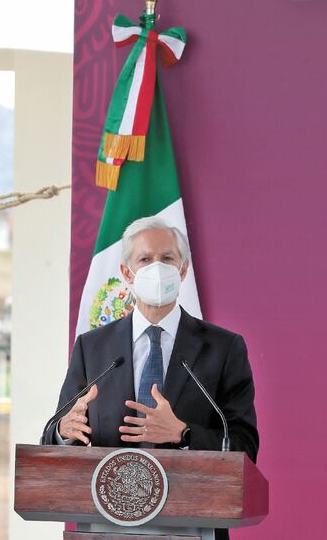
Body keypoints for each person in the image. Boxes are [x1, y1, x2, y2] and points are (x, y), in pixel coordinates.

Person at [43, 216, 259, 538]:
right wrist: (63, 430)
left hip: (193, 522)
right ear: (127, 273)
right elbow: (51, 438)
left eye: (167, 258)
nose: (157, 267)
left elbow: (245, 445)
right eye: (145, 259)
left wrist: (183, 433)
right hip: (105, 526)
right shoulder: (93, 348)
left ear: (183, 270)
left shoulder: (223, 348)